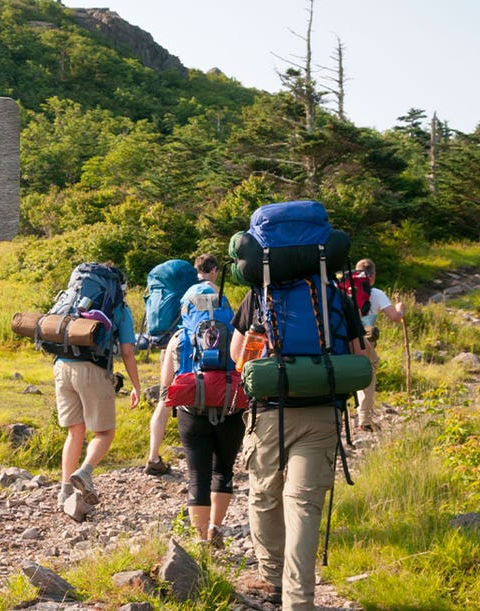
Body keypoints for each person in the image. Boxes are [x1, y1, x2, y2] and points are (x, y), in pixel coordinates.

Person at [231, 286, 368, 610]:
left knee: (265, 496)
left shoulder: (258, 295)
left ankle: (273, 579)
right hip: (322, 413)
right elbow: (361, 359)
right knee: (304, 507)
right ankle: (299, 601)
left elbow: (238, 360)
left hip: (268, 413)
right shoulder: (333, 294)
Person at [158, 275, 245, 547]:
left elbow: (165, 385)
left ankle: (201, 539)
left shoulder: (179, 337)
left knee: (198, 475)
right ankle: (216, 527)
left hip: (191, 411)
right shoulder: (235, 334)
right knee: (224, 471)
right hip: (231, 408)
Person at [54, 263, 142, 512]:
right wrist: (136, 385)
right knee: (104, 433)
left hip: (61, 365)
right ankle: (85, 472)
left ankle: (64, 492)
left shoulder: (72, 299)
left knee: (75, 432)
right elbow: (126, 352)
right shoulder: (119, 308)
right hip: (92, 368)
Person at [144, 253, 221, 476]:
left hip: (170, 344)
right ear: (214, 270)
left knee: (164, 400)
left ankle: (153, 457)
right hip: (194, 349)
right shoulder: (209, 291)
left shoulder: (184, 289)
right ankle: (205, 456)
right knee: (205, 397)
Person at [351, 258, 406, 432]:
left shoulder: (344, 290)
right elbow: (395, 318)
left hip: (341, 338)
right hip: (363, 341)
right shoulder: (376, 293)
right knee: (368, 375)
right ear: (373, 276)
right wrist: (401, 308)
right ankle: (365, 421)